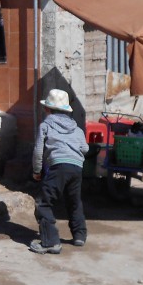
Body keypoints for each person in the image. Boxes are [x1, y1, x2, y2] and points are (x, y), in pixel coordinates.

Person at [29, 88, 89, 254]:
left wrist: (37, 170)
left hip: (58, 167)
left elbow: (38, 150)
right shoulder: (77, 129)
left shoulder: (45, 125)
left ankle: (50, 242)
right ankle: (79, 235)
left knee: (43, 202)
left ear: (47, 109)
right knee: (74, 201)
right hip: (77, 168)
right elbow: (85, 148)